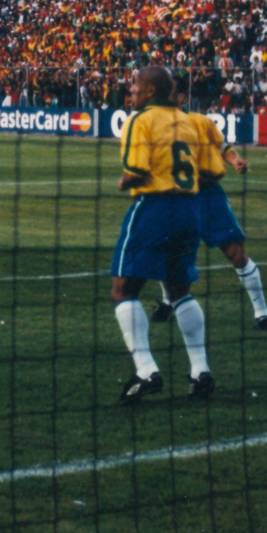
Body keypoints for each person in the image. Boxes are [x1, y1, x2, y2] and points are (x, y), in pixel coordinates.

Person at [110, 65, 211, 403]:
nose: (131, 90)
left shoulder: (140, 120)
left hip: (154, 207)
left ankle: (146, 370)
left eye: (135, 85)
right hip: (189, 211)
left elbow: (135, 172)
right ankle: (201, 371)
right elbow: (209, 172)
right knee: (179, 289)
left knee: (123, 289)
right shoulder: (190, 120)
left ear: (151, 90)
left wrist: (122, 182)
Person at [151, 110, 267, 329]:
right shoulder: (154, 123)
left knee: (236, 254)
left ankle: (262, 313)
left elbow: (223, 147)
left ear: (181, 96)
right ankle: (168, 301)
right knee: (166, 253)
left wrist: (235, 161)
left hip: (208, 196)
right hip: (176, 197)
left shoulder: (200, 122)